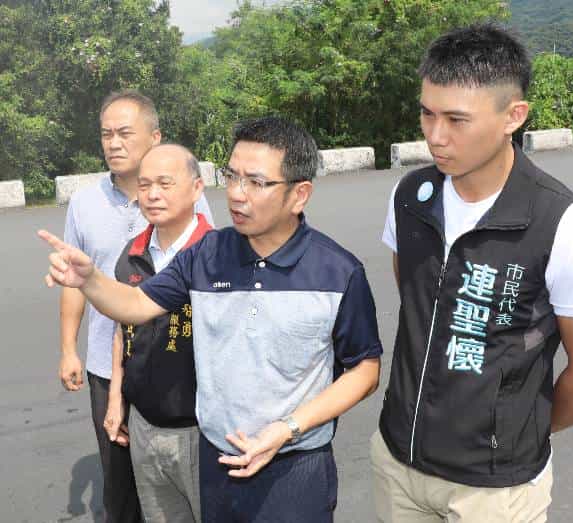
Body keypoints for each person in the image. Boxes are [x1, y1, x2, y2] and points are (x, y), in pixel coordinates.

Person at [40, 116, 382, 523]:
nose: (236, 194)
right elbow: (135, 305)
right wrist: (90, 280)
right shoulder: (207, 255)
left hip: (295, 468)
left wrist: (289, 427)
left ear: (299, 194)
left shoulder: (337, 272)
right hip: (216, 463)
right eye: (232, 177)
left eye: (256, 182)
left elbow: (365, 370)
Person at [373, 23, 573, 522]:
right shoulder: (411, 197)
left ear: (514, 116)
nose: (435, 136)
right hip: (399, 466)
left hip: (494, 491)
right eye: (427, 113)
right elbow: (419, 306)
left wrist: (520, 433)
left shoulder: (558, 222)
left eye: (456, 119)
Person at [59, 89, 213, 522]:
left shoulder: (187, 197)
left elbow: (209, 280)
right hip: (108, 363)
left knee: (186, 485)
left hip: (177, 367)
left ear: (155, 137)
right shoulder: (84, 204)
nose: (113, 143)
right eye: (106, 134)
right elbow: (75, 283)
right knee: (121, 486)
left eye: (124, 133)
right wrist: (68, 349)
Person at [104, 144, 211, 522]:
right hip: (145, 425)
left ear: (197, 188)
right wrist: (116, 398)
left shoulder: (218, 256)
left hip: (203, 430)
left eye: (165, 184)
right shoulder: (131, 255)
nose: (152, 194)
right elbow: (123, 329)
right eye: (145, 184)